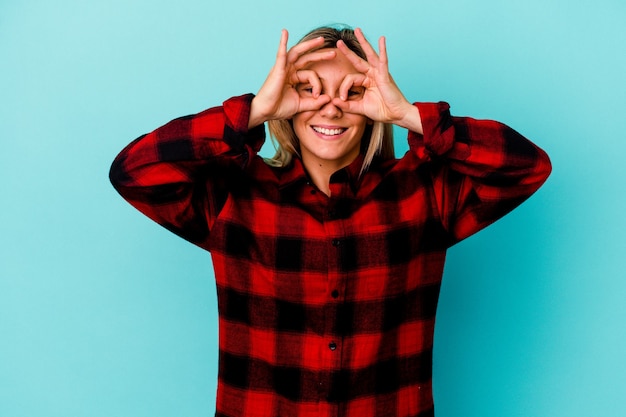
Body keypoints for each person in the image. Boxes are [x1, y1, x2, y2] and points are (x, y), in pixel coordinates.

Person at [110, 25, 551, 417]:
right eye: (308, 89)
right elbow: (133, 172)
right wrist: (252, 113)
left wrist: (407, 115)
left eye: (352, 93)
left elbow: (526, 166)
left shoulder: (424, 193)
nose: (330, 108)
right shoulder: (233, 194)